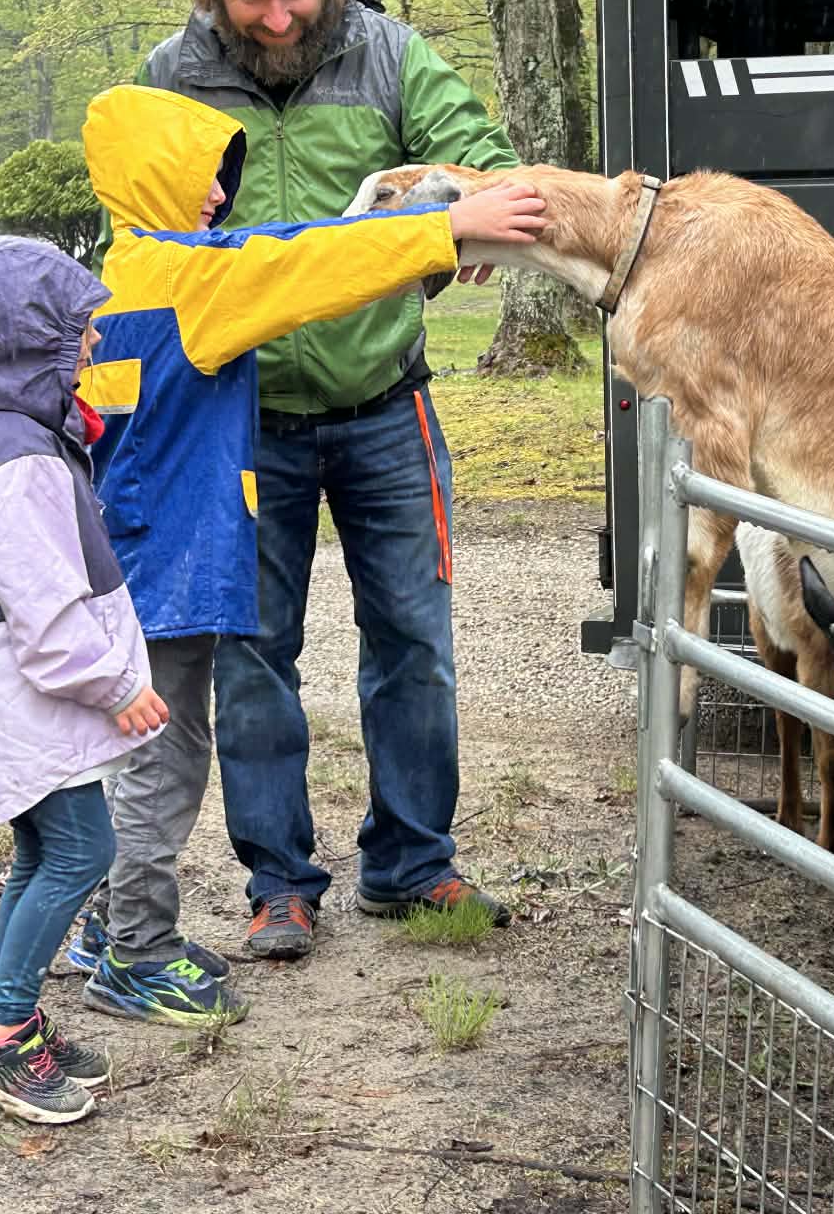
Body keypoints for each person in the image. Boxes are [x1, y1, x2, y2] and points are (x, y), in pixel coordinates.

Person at [62, 82, 546, 1024]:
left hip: (124, 562)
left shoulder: (112, 278)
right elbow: (306, 264)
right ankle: (137, 951)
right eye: (200, 177)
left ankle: (101, 924)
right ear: (149, 178)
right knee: (163, 761)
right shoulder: (189, 281)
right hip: (174, 571)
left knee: (121, 755)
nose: (217, 197)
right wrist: (450, 229)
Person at [135, 0, 522, 960]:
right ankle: (279, 883)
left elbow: (486, 165)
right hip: (239, 418)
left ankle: (411, 864)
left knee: (413, 642)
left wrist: (454, 214)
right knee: (254, 653)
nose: (276, 14)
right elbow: (136, 223)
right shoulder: (171, 74)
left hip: (383, 407)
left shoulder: (390, 53)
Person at [0, 235, 171, 1125]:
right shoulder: (23, 452)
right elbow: (42, 603)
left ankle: (14, 1017)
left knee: (42, 851)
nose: (93, 346)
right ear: (28, 340)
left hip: (17, 693)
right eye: (79, 333)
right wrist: (113, 684)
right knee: (81, 850)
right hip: (40, 692)